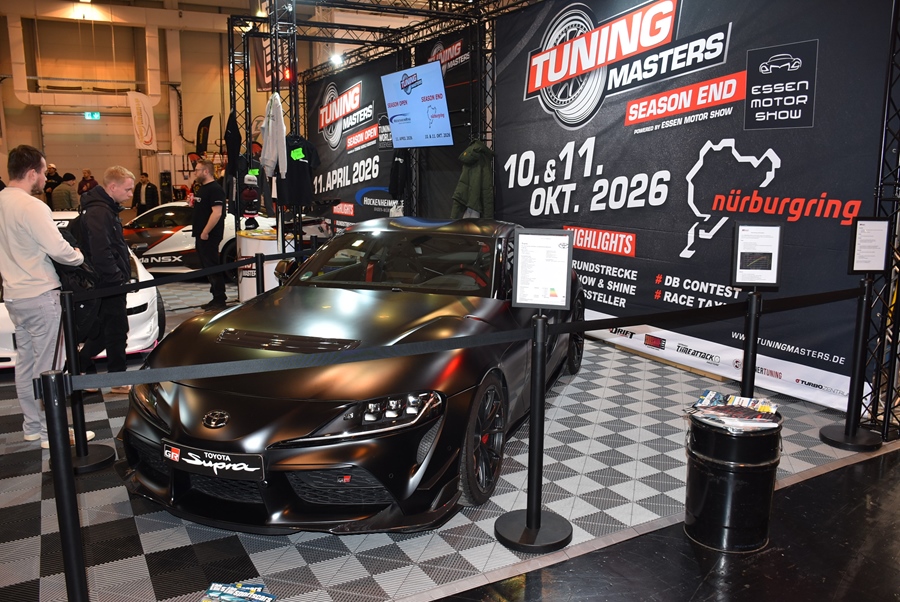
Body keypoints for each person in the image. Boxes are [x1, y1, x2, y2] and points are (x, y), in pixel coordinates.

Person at [0, 145, 94, 448]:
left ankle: (32, 427)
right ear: (32, 173)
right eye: (42, 172)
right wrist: (79, 256)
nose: (44, 178)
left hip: (14, 296)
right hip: (40, 295)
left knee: (26, 365)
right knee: (50, 368)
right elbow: (58, 249)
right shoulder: (32, 206)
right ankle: (50, 433)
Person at [77, 165, 134, 394]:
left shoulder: (104, 209)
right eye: (128, 189)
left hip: (107, 283)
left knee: (106, 332)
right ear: (112, 187)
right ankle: (115, 379)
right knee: (115, 331)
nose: (131, 194)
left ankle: (79, 370)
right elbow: (101, 251)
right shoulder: (100, 212)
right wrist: (116, 278)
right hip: (107, 284)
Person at [192, 160, 228, 310]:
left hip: (209, 235)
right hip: (201, 233)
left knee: (212, 265)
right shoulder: (203, 188)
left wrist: (206, 231)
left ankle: (220, 298)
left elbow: (217, 213)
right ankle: (215, 296)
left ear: (206, 171)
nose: (195, 173)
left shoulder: (215, 189)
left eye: (197, 170)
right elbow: (204, 209)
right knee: (207, 266)